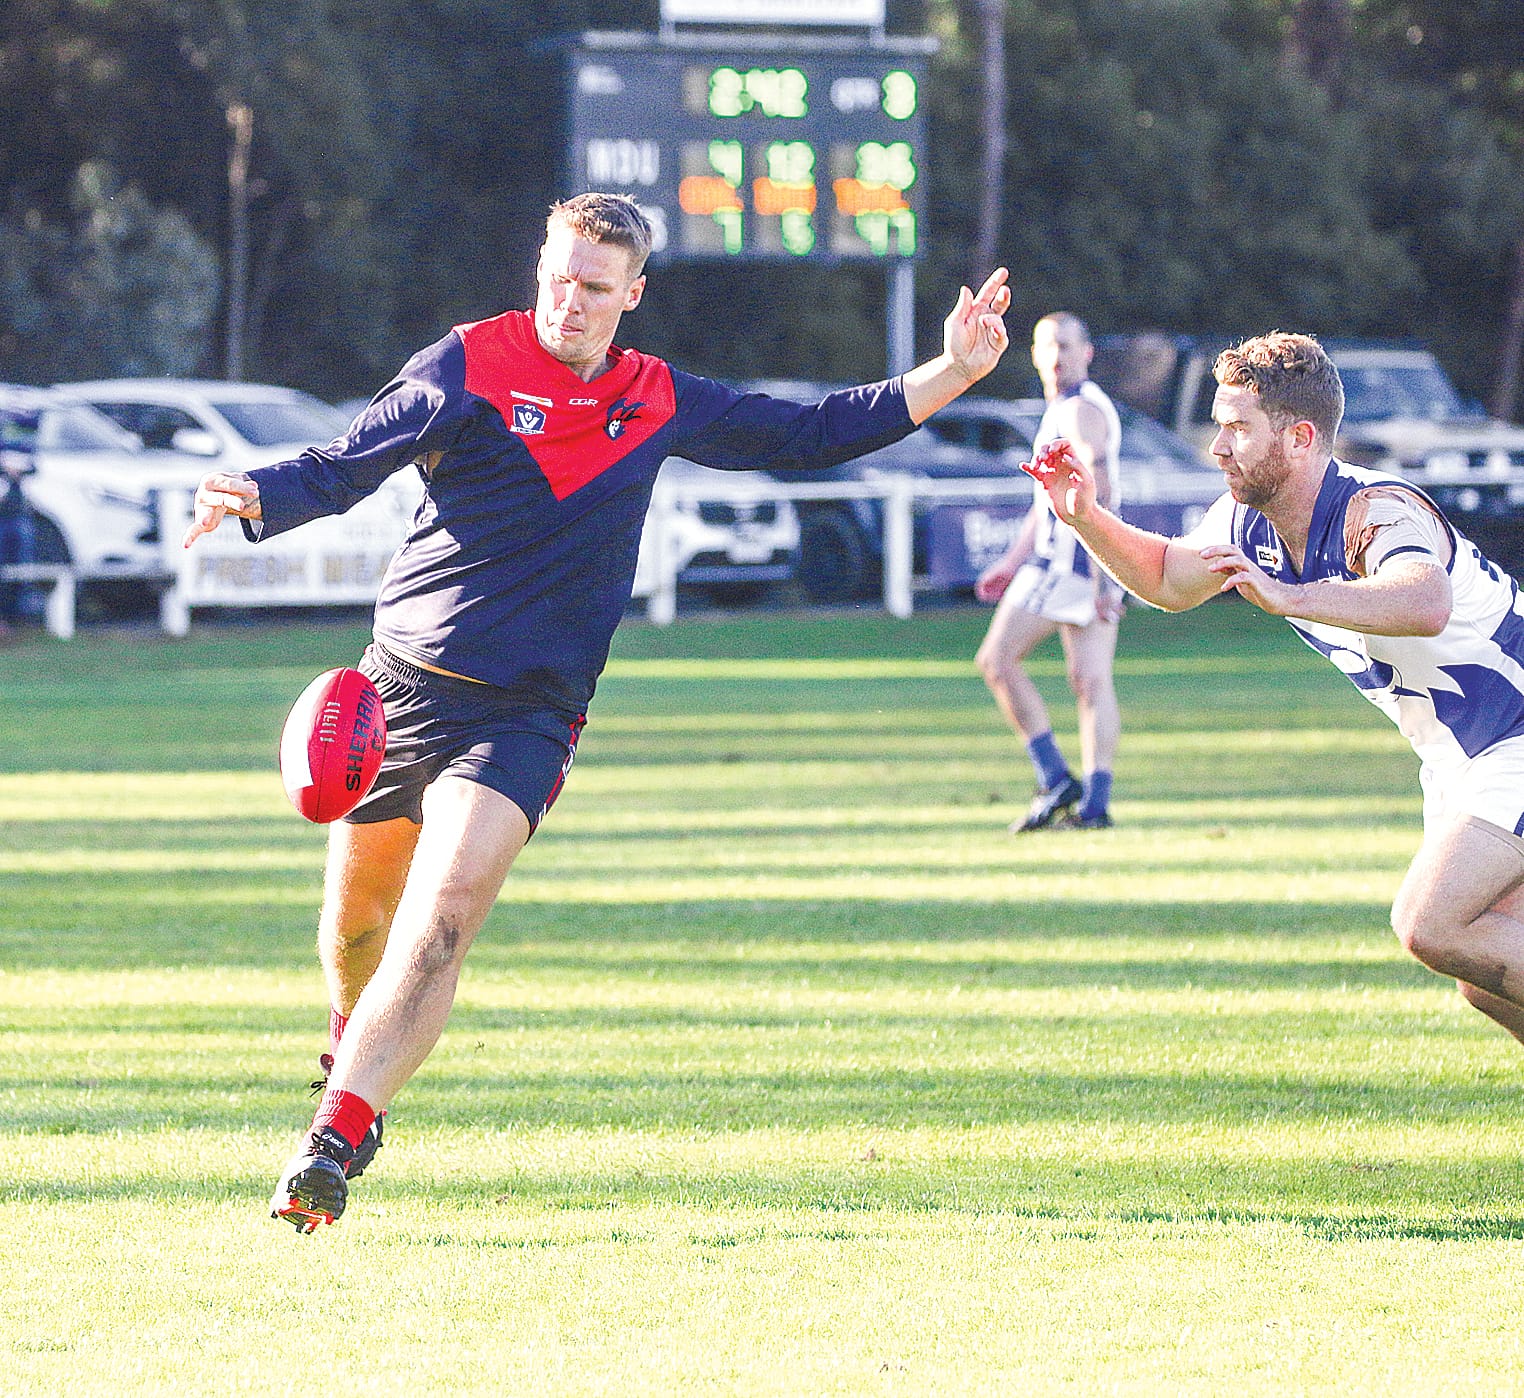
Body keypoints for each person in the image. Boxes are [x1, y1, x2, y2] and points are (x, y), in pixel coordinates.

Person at [183, 191, 1012, 1232]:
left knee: (439, 926)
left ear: (634, 295)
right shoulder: (467, 364)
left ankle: (335, 1140)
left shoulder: (657, 397)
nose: (568, 304)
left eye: (594, 288)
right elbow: (348, 461)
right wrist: (254, 491)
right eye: (557, 279)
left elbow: (806, 433)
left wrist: (955, 373)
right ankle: (348, 1039)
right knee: (358, 929)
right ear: (540, 267)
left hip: (525, 715)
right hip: (396, 691)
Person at [1024, 329, 1524, 1050]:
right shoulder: (1247, 521)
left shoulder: (1376, 510)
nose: (1217, 447)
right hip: (1461, 759)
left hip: (1512, 737)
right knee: (1481, 974)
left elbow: (1424, 600)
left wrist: (1292, 597)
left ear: (1298, 437)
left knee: (1431, 923)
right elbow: (1168, 578)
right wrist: (1084, 517)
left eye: (1236, 429)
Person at [973, 313, 1123, 831]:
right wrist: (1011, 560)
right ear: (1034, 355)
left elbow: (1095, 479)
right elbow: (1046, 502)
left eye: (1065, 345)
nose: (1056, 357)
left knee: (998, 660)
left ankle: (1058, 779)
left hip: (1074, 563)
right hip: (1069, 561)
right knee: (1088, 681)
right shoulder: (1060, 408)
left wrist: (1107, 576)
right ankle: (1092, 804)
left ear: (1087, 353)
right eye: (1046, 347)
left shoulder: (1080, 409)